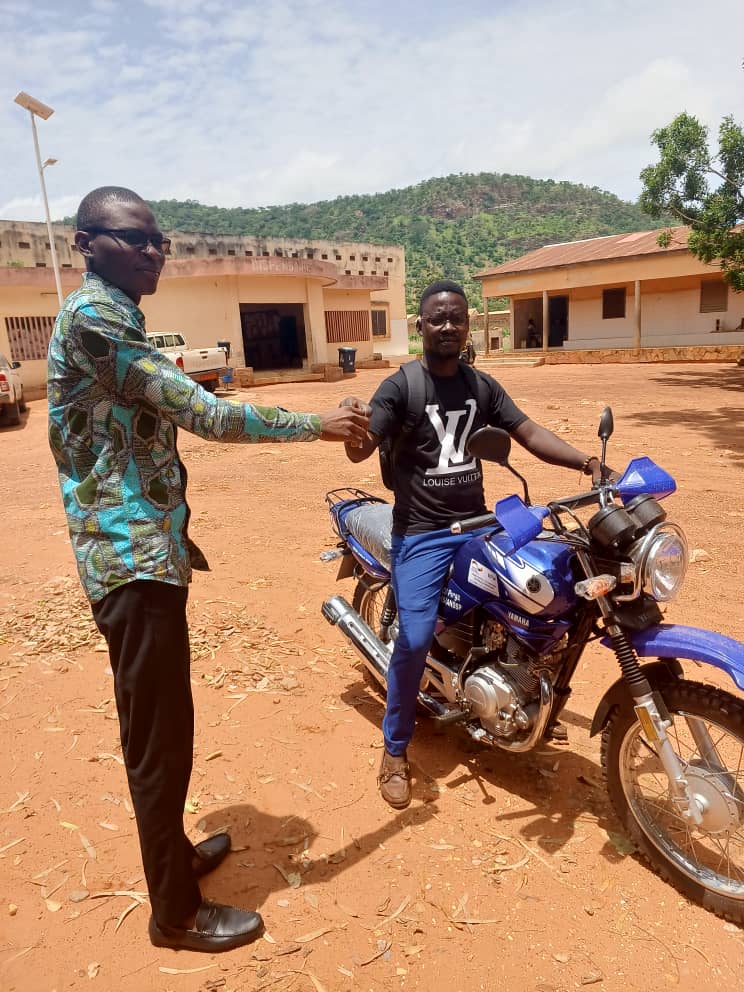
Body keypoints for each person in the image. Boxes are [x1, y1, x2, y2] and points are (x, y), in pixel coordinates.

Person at [47, 186, 370, 953]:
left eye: (160, 240)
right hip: (128, 562)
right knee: (157, 739)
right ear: (87, 244)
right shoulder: (94, 318)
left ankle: (176, 860)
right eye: (136, 240)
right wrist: (316, 425)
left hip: (146, 552)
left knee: (173, 726)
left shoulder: (117, 316)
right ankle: (175, 915)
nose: (155, 251)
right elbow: (209, 413)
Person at [342, 280, 610, 810]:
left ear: (468, 326)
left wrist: (588, 463)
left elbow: (527, 431)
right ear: (421, 327)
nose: (448, 326)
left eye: (456, 319)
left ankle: (525, 695)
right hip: (422, 532)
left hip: (480, 521)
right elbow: (360, 451)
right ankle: (395, 748)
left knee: (549, 594)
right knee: (414, 639)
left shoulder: (480, 385)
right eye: (437, 319)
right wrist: (354, 426)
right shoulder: (399, 387)